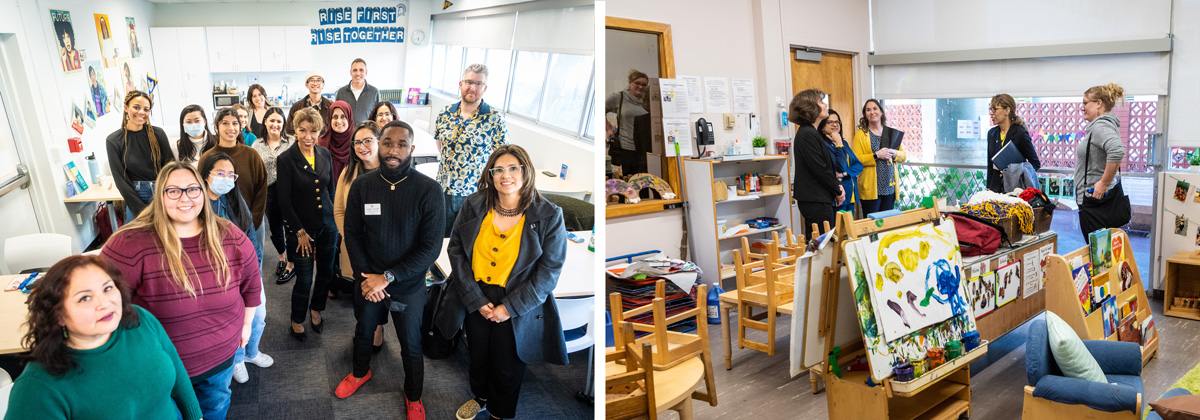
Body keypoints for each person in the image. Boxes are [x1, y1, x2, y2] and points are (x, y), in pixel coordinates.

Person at [101, 161, 261, 420]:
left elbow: (252, 283)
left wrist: (246, 325)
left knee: (214, 409)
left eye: (192, 190)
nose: (185, 198)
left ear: (203, 191)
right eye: (173, 191)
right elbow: (104, 303)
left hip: (219, 360)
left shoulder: (228, 234)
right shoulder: (130, 243)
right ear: (160, 196)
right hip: (161, 368)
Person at [440, 144, 569, 420]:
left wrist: (509, 308)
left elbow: (549, 272)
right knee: (478, 355)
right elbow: (457, 251)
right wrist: (475, 299)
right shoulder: (474, 204)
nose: (505, 175)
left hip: (518, 299)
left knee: (507, 364)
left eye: (513, 168)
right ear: (490, 174)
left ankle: (501, 412)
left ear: (526, 171)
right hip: (476, 293)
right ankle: (481, 397)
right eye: (498, 169)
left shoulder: (548, 215)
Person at [6, 255, 202, 419]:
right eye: (85, 298)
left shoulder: (140, 319)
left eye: (107, 288)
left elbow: (176, 368)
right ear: (58, 316)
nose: (105, 304)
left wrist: (196, 416)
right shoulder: (37, 388)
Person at [339, 120, 444, 420]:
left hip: (407, 283)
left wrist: (387, 278)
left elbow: (429, 248)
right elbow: (353, 234)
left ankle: (413, 396)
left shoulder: (429, 191)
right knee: (363, 332)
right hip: (368, 280)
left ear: (411, 149)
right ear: (379, 145)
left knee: (411, 345)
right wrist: (367, 278)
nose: (393, 150)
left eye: (400, 144)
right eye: (387, 143)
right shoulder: (363, 186)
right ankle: (360, 373)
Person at [199, 152, 274, 385]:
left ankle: (251, 353)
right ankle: (238, 359)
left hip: (246, 270)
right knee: (234, 321)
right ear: (205, 175)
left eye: (231, 174)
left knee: (258, 316)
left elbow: (251, 236)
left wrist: (256, 270)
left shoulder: (233, 198)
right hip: (218, 278)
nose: (226, 178)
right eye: (220, 173)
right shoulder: (197, 203)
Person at [277, 107, 338, 341]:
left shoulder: (325, 154)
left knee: (325, 273)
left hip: (327, 225)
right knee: (304, 279)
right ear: (295, 130)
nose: (308, 136)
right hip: (301, 228)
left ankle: (316, 309)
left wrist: (334, 219)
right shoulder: (286, 159)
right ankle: (297, 318)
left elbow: (329, 189)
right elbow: (284, 201)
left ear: (319, 131)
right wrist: (299, 231)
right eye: (302, 130)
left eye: (313, 131)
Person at [434, 63, 508, 237]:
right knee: (438, 236)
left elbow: (502, 157)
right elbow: (440, 144)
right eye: (468, 82)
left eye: (478, 83)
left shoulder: (494, 118)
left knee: (467, 241)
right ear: (461, 84)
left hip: (473, 192)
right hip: (443, 188)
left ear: (485, 88)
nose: (472, 87)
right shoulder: (445, 113)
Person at [333, 121, 388, 352]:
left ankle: (377, 329)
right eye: (357, 142)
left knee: (381, 292)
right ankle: (365, 328)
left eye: (368, 140)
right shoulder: (349, 172)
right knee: (360, 291)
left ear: (379, 142)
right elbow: (338, 210)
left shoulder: (390, 173)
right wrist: (351, 239)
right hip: (355, 249)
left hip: (384, 248)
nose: (361, 146)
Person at [201, 107, 269, 260]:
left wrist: (253, 219)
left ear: (240, 127)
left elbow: (261, 188)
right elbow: (202, 190)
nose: (231, 128)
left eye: (235, 123)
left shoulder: (251, 155)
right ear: (216, 127)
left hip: (251, 219)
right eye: (225, 123)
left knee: (253, 260)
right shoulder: (207, 157)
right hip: (217, 221)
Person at [106, 90, 174, 221]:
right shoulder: (114, 140)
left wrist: (168, 194)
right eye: (136, 107)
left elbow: (170, 166)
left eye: (146, 109)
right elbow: (120, 179)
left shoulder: (158, 134)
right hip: (135, 195)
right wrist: (139, 209)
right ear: (126, 108)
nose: (141, 112)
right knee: (139, 238)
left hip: (162, 191)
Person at [1076, 83, 1131, 239]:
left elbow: (1117, 150)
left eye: (1085, 103)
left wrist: (1103, 183)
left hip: (1095, 203)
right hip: (1098, 202)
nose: (1082, 108)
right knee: (1105, 257)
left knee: (1100, 258)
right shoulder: (1103, 125)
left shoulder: (1100, 126)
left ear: (1099, 103)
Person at [252, 107, 296, 284]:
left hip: (290, 191)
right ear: (265, 122)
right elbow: (255, 171)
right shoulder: (257, 144)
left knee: (291, 228)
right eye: (272, 120)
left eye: (279, 121)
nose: (275, 124)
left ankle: (292, 263)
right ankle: (282, 257)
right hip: (269, 191)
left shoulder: (292, 141)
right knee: (276, 228)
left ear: (283, 123)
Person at [789, 89, 842, 238]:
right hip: (815, 198)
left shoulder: (812, 132)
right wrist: (837, 189)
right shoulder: (807, 134)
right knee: (820, 245)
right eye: (820, 102)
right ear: (810, 107)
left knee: (821, 243)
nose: (825, 104)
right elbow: (820, 169)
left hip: (818, 197)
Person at [851, 99, 907, 214]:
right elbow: (856, 159)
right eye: (868, 110)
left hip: (889, 187)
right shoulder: (861, 134)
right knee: (872, 225)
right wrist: (876, 155)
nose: (872, 112)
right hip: (871, 189)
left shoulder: (889, 132)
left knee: (886, 225)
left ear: (881, 112)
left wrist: (894, 153)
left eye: (875, 108)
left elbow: (903, 156)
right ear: (865, 115)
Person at [986, 93, 1042, 193]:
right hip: (995, 190)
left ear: (1007, 110)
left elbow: (1035, 163)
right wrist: (989, 188)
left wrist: (1017, 171)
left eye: (994, 109)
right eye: (990, 109)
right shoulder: (991, 134)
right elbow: (990, 165)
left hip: (1015, 190)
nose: (991, 113)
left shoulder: (1020, 133)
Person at [605, 69, 650, 174]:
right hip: (627, 148)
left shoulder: (648, 100)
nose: (640, 87)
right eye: (637, 83)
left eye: (644, 84)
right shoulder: (619, 97)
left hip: (645, 148)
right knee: (629, 181)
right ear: (630, 83)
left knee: (644, 181)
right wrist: (608, 128)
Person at [820, 109, 862, 214]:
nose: (834, 125)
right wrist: (838, 143)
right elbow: (840, 166)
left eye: (837, 122)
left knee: (849, 229)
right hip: (837, 196)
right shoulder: (823, 145)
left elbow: (858, 165)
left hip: (850, 194)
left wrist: (845, 173)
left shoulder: (844, 143)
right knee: (837, 229)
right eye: (830, 122)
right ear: (822, 126)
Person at [335, 58, 381, 126]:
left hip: (367, 134)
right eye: (355, 70)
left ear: (366, 72)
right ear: (351, 72)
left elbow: (379, 115)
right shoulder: (341, 92)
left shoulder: (374, 92)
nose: (358, 73)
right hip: (346, 134)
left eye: (361, 70)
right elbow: (336, 115)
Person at [320, 101, 355, 188]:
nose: (339, 121)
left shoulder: (357, 143)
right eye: (335, 117)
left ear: (349, 118)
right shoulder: (320, 144)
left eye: (343, 117)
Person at [287, 71, 332, 136]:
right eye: (312, 80)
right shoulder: (297, 106)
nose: (315, 83)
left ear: (323, 85)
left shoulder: (331, 105)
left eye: (318, 80)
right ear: (306, 85)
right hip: (303, 143)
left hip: (325, 144)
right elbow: (289, 130)